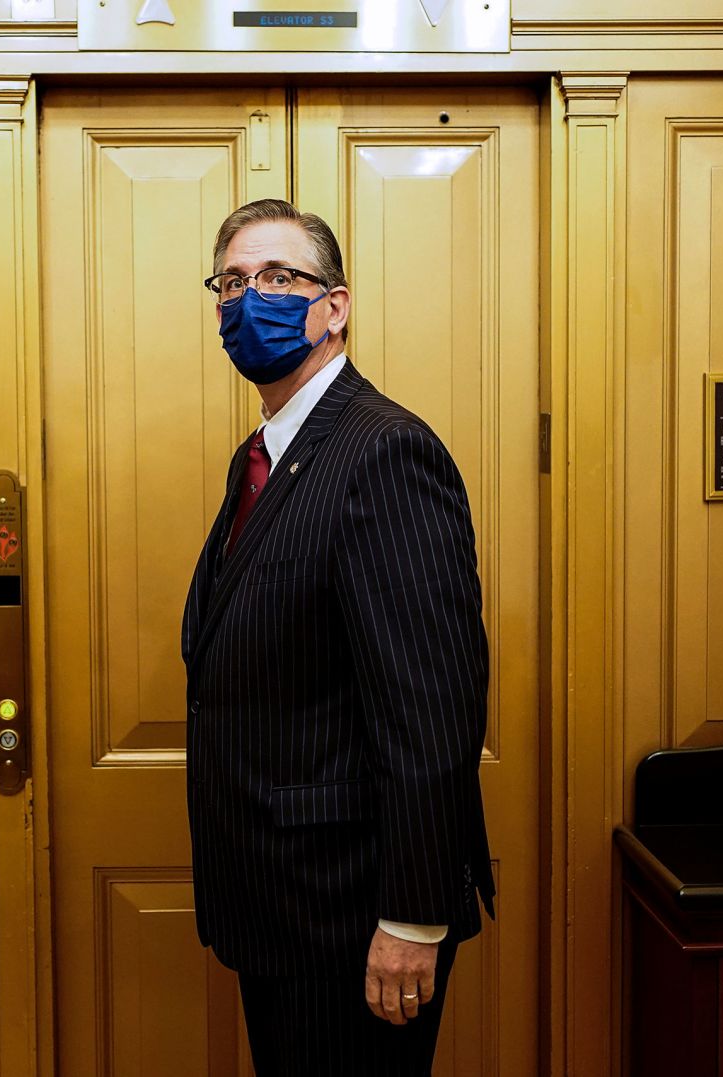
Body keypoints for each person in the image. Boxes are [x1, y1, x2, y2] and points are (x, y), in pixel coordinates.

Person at [182, 199, 495, 1076]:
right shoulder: (270, 452)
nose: (253, 299)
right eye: (234, 283)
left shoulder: (385, 452)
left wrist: (413, 916)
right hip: (281, 906)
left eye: (280, 278)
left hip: (353, 916)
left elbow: (432, 712)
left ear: (336, 305)